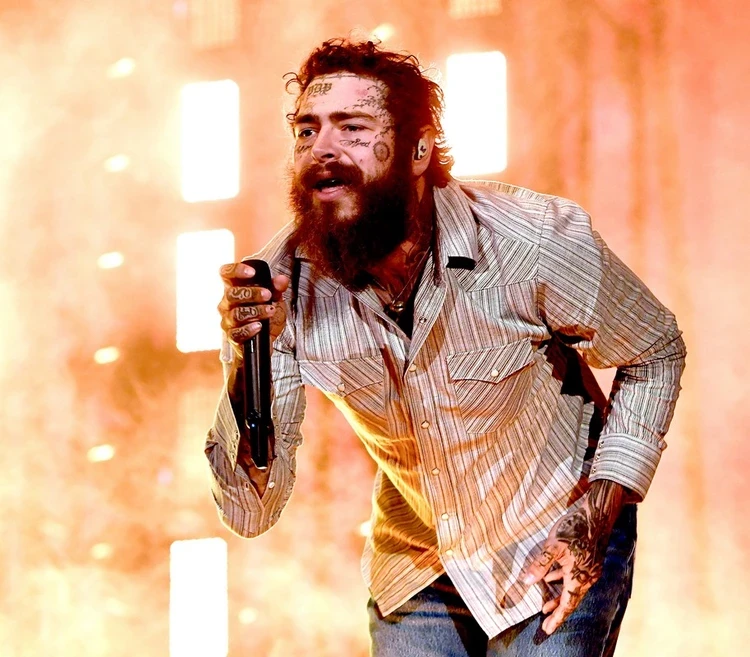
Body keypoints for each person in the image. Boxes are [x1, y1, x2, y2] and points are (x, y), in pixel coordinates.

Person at [206, 38, 686, 656]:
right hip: (417, 569)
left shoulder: (529, 241)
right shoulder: (277, 289)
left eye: (352, 128)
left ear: (419, 150)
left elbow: (655, 349)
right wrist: (246, 359)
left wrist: (599, 509)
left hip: (555, 537)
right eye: (306, 130)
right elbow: (250, 513)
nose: (322, 147)